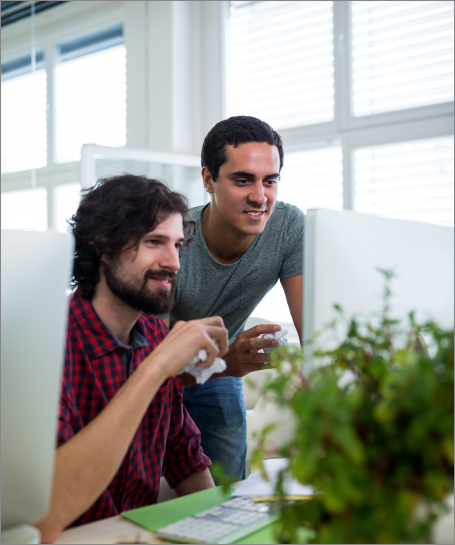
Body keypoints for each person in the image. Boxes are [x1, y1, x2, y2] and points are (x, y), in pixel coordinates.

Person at [35, 175, 229, 544]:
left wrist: (222, 527)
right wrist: (156, 368)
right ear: (103, 248)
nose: (173, 262)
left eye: (177, 245)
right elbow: (47, 510)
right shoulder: (48, 344)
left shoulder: (155, 335)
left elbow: (182, 454)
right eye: (155, 242)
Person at [165, 116, 304, 480]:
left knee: (226, 488)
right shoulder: (173, 241)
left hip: (222, 369)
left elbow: (316, 335)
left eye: (270, 181)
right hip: (157, 368)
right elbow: (148, 366)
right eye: (243, 180)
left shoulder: (289, 228)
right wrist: (226, 361)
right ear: (208, 179)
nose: (260, 197)